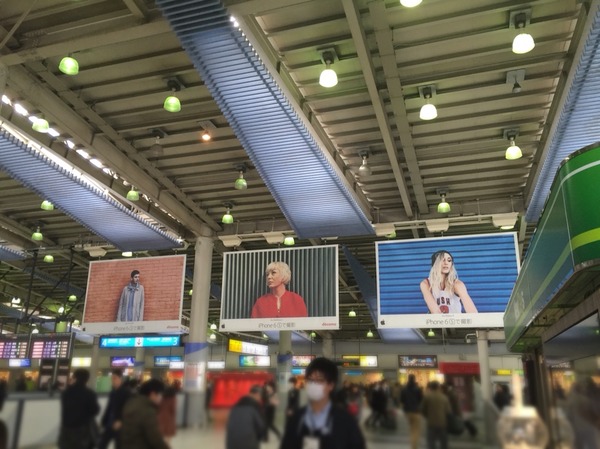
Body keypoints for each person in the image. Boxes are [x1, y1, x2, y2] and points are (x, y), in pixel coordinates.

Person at [280, 357, 366, 449]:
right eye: (310, 380)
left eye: (319, 380)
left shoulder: (346, 422)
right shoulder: (297, 419)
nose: (314, 385)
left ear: (331, 385)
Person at [119, 378, 169, 449]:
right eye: (160, 395)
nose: (161, 398)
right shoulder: (148, 411)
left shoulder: (131, 403)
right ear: (153, 394)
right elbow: (155, 439)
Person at [58, 368, 100, 449]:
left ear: (75, 378)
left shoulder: (66, 393)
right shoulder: (89, 393)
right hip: (82, 431)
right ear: (87, 380)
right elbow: (95, 410)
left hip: (66, 429)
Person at [98, 369, 131, 449]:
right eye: (112, 378)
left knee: (119, 445)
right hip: (110, 424)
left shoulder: (126, 392)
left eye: (115, 378)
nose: (112, 380)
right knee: (102, 444)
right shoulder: (113, 392)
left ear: (121, 379)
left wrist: (121, 421)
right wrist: (103, 421)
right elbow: (109, 408)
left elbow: (128, 409)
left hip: (120, 426)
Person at [226, 384, 266, 449]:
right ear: (257, 394)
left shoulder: (236, 407)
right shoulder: (255, 407)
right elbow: (260, 426)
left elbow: (229, 426)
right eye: (260, 396)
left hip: (232, 443)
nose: (260, 399)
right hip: (249, 444)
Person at [421, 381, 451, 449]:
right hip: (442, 422)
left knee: (431, 442)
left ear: (430, 388)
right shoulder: (444, 397)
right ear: (438, 387)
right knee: (443, 442)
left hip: (431, 423)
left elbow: (422, 409)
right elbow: (448, 411)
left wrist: (427, 416)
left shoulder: (427, 397)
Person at [400, 374, 424, 449]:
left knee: (411, 428)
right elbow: (421, 399)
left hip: (407, 411)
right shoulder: (418, 389)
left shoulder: (404, 389)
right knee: (415, 430)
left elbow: (402, 400)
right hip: (416, 411)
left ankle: (413, 444)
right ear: (414, 379)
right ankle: (414, 446)